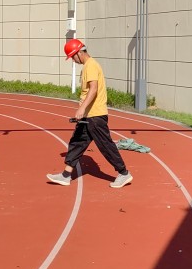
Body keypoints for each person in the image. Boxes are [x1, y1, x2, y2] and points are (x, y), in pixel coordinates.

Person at [47, 39, 133, 188]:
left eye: (73, 57)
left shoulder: (91, 66)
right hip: (88, 115)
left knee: (105, 145)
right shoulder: (88, 66)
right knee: (77, 142)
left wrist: (81, 108)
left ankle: (124, 173)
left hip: (95, 115)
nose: (73, 61)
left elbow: (93, 89)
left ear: (79, 53)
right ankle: (66, 175)